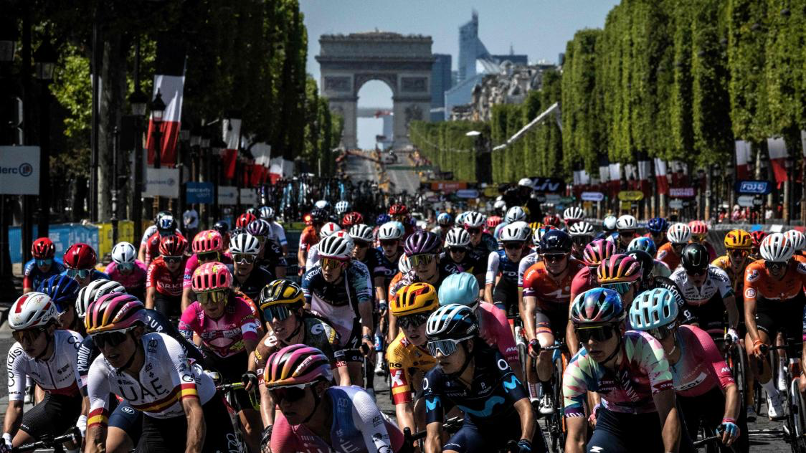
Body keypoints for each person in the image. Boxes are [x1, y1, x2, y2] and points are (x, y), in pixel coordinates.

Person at [82, 293, 234, 452]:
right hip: (157, 421)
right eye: (99, 340)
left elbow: (193, 410)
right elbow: (94, 438)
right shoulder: (99, 370)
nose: (107, 349)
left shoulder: (165, 349)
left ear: (138, 332)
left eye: (114, 338)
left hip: (206, 408)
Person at [563, 288, 680, 453]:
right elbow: (575, 439)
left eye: (600, 332)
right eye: (583, 334)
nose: (591, 342)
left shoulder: (647, 349)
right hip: (614, 422)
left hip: (655, 417)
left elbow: (667, 412)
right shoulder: (576, 369)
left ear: (621, 328)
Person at [630, 288, 746, 451]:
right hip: (682, 404)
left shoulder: (696, 339)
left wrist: (729, 420)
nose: (653, 342)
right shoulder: (640, 354)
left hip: (715, 398)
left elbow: (730, 386)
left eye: (659, 332)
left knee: (734, 445)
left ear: (676, 325)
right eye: (646, 336)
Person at [423, 304, 547, 453]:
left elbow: (525, 407)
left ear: (469, 345)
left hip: (514, 428)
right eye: (433, 347)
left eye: (446, 346)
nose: (438, 355)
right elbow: (433, 436)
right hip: (476, 430)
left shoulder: (492, 362)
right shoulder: (434, 378)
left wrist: (525, 441)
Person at [252, 280, 342, 451]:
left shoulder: (323, 334)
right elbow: (267, 396)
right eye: (269, 314)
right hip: (287, 398)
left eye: (281, 312)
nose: (275, 321)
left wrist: (344, 418)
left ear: (299, 311)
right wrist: (269, 430)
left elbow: (342, 379)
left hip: (322, 393)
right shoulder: (265, 348)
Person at [180, 261, 262, 450]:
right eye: (203, 297)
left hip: (240, 360)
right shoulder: (192, 312)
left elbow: (252, 347)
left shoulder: (241, 307)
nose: (210, 303)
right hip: (211, 360)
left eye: (216, 295)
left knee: (250, 427)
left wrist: (251, 372)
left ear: (227, 294)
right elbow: (182, 348)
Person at [266, 344, 404, 453]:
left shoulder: (357, 403)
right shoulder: (284, 426)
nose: (284, 403)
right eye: (276, 394)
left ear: (320, 388)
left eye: (292, 393)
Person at [3, 293, 84, 453]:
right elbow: (16, 406)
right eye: (18, 336)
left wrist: (83, 421)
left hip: (84, 399)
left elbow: (89, 395)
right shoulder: (17, 354)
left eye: (31, 335)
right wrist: (6, 437)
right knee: (14, 447)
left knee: (90, 443)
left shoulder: (71, 343)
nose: (25, 343)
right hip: (56, 402)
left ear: (51, 329)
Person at [743, 233, 806, 421]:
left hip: (795, 309)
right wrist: (755, 342)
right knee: (751, 352)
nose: (774, 269)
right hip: (767, 311)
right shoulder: (754, 270)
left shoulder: (800, 267)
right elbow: (748, 313)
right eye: (770, 264)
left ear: (789, 261)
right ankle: (772, 393)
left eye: (779, 265)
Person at [522, 230, 585, 412]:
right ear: (542, 256)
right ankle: (547, 392)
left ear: (568, 255)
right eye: (549, 257)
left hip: (571, 312)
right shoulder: (532, 274)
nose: (554, 262)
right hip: (546, 313)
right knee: (544, 347)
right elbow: (529, 311)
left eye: (559, 257)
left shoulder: (580, 269)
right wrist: (532, 339)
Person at [302, 234, 374, 386]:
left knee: (354, 374)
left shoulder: (359, 273)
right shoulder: (312, 275)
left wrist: (367, 338)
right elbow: (304, 311)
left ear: (345, 264)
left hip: (347, 319)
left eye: (333, 264)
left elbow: (366, 314)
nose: (327, 268)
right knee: (325, 375)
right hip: (320, 318)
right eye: (324, 261)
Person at [386, 282, 440, 437]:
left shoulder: (451, 334)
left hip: (456, 382)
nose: (410, 328)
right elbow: (403, 406)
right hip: (426, 380)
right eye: (403, 321)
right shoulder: (397, 350)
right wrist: (410, 442)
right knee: (422, 411)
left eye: (417, 319)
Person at [672, 243, 739, 336]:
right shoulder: (676, 279)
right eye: (691, 272)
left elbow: (731, 304)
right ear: (684, 269)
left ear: (708, 268)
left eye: (701, 271)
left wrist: (733, 330)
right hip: (687, 310)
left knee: (719, 344)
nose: (696, 276)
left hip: (711, 308)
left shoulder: (719, 275)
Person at [486, 221, 531, 319]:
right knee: (500, 318)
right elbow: (488, 288)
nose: (513, 250)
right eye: (509, 246)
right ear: (504, 245)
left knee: (530, 316)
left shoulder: (531, 255)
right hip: (505, 289)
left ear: (523, 245)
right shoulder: (495, 256)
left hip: (525, 290)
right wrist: (492, 311)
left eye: (517, 246)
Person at [181, 229, 232, 311]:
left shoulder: (228, 260)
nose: (206, 261)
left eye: (211, 255)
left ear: (219, 253)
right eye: (202, 257)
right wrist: (186, 319)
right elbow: (186, 295)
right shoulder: (192, 261)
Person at [229, 232, 275, 311]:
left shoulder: (265, 278)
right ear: (232, 257)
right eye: (238, 257)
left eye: (249, 258)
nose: (243, 263)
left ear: (255, 258)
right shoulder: (224, 275)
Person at [146, 235, 188, 318]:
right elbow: (151, 295)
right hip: (163, 296)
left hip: (184, 294)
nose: (172, 263)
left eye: (176, 259)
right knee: (162, 320)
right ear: (162, 257)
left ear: (182, 257)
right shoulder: (155, 265)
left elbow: (192, 292)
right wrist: (148, 319)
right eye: (167, 259)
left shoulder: (188, 262)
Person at [298, 208, 327, 274]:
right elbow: (301, 254)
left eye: (320, 224)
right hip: (311, 257)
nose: (317, 227)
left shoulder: (330, 230)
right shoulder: (307, 232)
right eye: (314, 224)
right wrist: (304, 267)